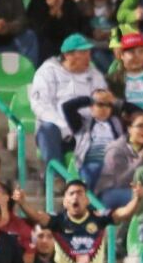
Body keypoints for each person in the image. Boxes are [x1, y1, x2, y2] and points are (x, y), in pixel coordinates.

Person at [15, 179, 142, 263]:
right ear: (65, 201)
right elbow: (38, 217)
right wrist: (23, 203)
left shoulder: (99, 218)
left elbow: (123, 214)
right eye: (71, 193)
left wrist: (137, 199)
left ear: (87, 200)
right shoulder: (58, 221)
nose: (76, 196)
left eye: (80, 193)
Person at [30, 34, 107, 165]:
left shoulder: (95, 75)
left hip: (86, 128)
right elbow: (40, 105)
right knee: (47, 129)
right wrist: (63, 126)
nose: (88, 56)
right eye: (83, 52)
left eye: (89, 52)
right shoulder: (48, 71)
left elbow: (103, 101)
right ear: (67, 55)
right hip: (58, 129)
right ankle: (56, 175)